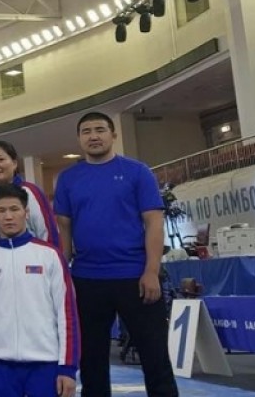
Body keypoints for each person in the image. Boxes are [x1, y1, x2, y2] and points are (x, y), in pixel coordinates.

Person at [54, 112, 178, 397]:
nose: (93, 136)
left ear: (113, 135)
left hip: (136, 277)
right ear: (79, 139)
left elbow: (154, 222)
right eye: (86, 131)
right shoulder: (68, 179)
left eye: (100, 129)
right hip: (87, 280)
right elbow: (64, 229)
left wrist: (151, 271)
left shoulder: (137, 172)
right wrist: (63, 276)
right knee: (92, 362)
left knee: (155, 358)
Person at [0, 183, 79, 397]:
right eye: (1, 210)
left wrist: (68, 368)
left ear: (26, 212)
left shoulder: (50, 255)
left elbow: (66, 314)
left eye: (14, 209)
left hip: (45, 362)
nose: (8, 216)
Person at [0, 140, 58, 248]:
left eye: (0, 159)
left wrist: (51, 255)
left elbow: (48, 233)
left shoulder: (31, 192)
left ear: (14, 163)